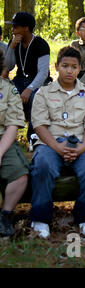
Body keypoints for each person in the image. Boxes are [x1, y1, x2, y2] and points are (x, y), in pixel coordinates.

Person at [30, 46, 85, 239]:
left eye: (74, 67)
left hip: (82, 143)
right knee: (43, 166)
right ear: (56, 67)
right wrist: (57, 147)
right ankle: (41, 218)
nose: (69, 70)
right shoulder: (44, 93)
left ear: (80, 68)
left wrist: (82, 147)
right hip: (51, 143)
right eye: (65, 66)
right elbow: (39, 124)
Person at [4, 12, 52, 144]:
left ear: (26, 28)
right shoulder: (14, 42)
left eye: (15, 27)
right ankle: (6, 136)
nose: (12, 30)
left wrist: (30, 89)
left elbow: (42, 73)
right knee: (5, 95)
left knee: (36, 98)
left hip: (39, 81)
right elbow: (8, 66)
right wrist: (12, 47)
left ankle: (33, 137)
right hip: (20, 79)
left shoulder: (41, 44)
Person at [0, 49, 29, 237]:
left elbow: (13, 124)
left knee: (19, 175)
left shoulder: (8, 89)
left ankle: (6, 215)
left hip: (3, 138)